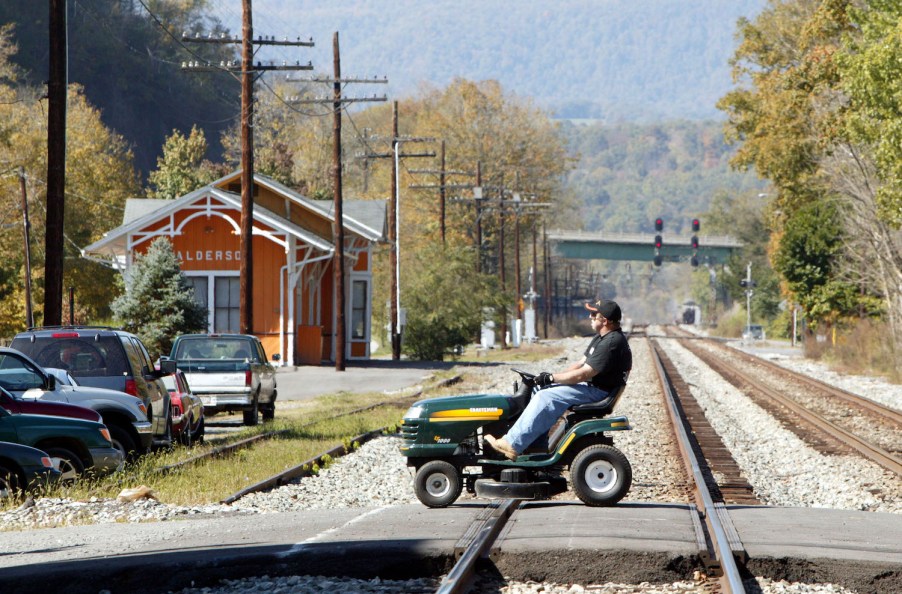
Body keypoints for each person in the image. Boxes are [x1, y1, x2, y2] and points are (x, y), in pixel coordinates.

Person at [485, 299, 632, 461]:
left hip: (599, 392)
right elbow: (579, 365)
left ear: (604, 320)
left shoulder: (612, 342)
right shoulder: (602, 338)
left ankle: (512, 444)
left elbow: (584, 374)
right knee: (538, 390)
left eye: (593, 314)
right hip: (595, 387)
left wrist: (552, 378)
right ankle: (535, 446)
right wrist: (552, 379)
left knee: (546, 397)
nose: (589, 317)